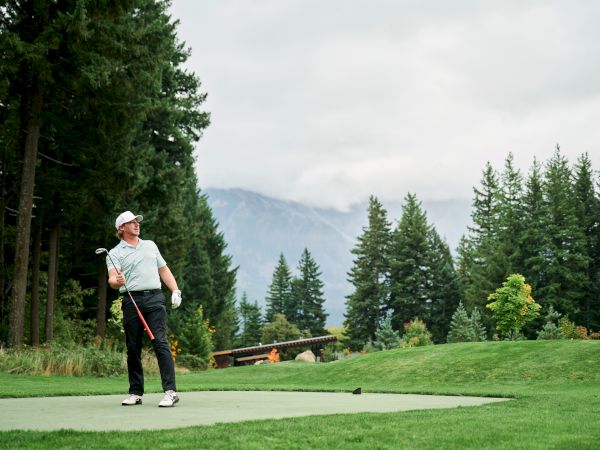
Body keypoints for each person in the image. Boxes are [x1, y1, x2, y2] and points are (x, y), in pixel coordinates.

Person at [106, 210, 182, 407]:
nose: (137, 224)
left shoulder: (150, 246)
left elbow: (163, 269)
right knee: (133, 347)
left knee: (160, 342)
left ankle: (170, 391)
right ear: (121, 228)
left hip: (155, 299)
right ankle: (135, 392)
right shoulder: (114, 253)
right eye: (132, 222)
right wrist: (117, 280)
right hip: (131, 301)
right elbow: (112, 279)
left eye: (137, 221)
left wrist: (175, 290)